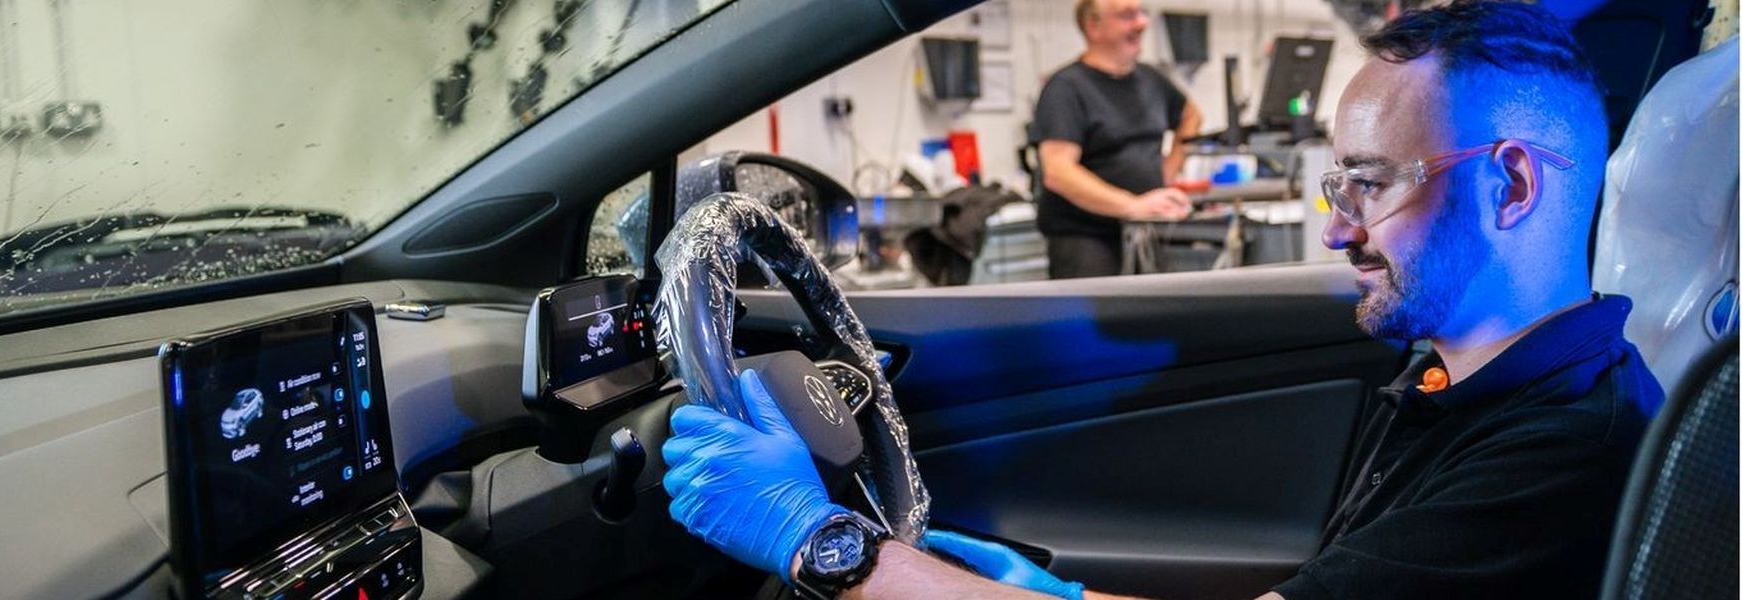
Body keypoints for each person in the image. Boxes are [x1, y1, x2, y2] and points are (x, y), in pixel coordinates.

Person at [659, 1, 1662, 598]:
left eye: (1371, 184)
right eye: (1337, 187)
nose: (1337, 227)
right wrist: (1022, 589)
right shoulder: (1454, 380)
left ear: (1513, 185)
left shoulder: (1560, 451)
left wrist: (831, 548)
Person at [1033, 0, 1202, 279]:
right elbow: (1058, 172)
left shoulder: (1151, 79)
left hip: (1146, 232)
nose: (1141, 23)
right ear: (1093, 26)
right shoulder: (1067, 88)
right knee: (1098, 322)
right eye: (1127, 15)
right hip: (1088, 241)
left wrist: (1167, 173)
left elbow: (1191, 116)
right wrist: (1132, 206)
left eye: (1141, 13)